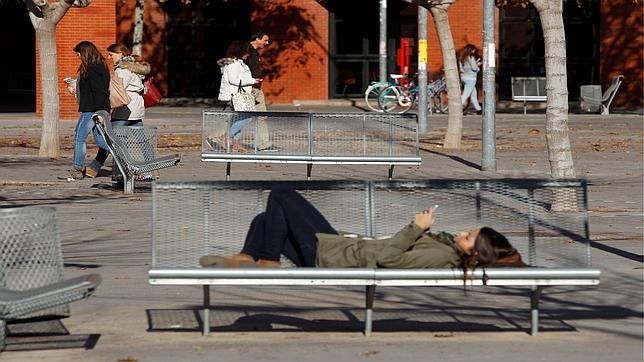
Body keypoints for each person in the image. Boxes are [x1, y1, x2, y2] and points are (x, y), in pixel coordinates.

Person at [199, 189, 525, 269]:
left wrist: (416, 226)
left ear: (473, 252)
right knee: (265, 219)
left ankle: (267, 263)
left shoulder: (440, 257)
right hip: (340, 246)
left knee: (282, 195)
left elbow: (389, 259)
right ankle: (246, 257)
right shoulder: (444, 247)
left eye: (467, 237)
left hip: (333, 257)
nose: (461, 234)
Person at [85, 43, 151, 178]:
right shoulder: (134, 67)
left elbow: (116, 91)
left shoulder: (123, 70)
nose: (109, 57)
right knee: (141, 140)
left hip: (125, 110)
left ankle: (97, 167)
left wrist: (105, 106)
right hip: (136, 108)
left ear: (121, 53)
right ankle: (152, 166)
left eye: (111, 54)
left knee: (111, 139)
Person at [207, 41, 277, 152]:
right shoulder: (234, 64)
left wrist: (250, 88)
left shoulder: (239, 62)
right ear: (240, 52)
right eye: (246, 52)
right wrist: (252, 81)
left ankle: (235, 142)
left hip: (240, 93)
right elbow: (233, 80)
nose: (248, 54)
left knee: (238, 117)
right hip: (235, 95)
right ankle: (225, 137)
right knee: (246, 117)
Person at [61, 41, 111, 181]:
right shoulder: (99, 66)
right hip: (95, 108)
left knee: (79, 137)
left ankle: (77, 168)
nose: (78, 57)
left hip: (92, 110)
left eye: (78, 54)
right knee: (102, 142)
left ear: (85, 53)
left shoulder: (93, 68)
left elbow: (99, 91)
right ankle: (123, 157)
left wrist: (100, 112)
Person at [459, 44, 482, 114]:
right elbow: (474, 68)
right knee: (466, 94)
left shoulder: (461, 58)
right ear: (471, 50)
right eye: (474, 50)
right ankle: (457, 108)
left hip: (463, 77)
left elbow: (461, 69)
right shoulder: (471, 57)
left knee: (473, 94)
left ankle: (479, 109)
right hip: (471, 78)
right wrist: (477, 65)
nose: (474, 51)